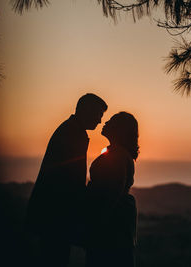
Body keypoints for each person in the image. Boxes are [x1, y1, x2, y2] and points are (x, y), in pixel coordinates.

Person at [25, 93, 107, 267]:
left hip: (52, 214)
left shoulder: (70, 129)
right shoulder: (73, 134)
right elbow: (72, 181)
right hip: (56, 216)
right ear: (86, 110)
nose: (100, 121)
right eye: (98, 114)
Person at [85, 112, 139, 267]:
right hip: (112, 229)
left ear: (120, 129)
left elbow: (111, 196)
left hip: (110, 232)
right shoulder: (116, 153)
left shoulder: (118, 156)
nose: (105, 122)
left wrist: (95, 227)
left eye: (112, 121)